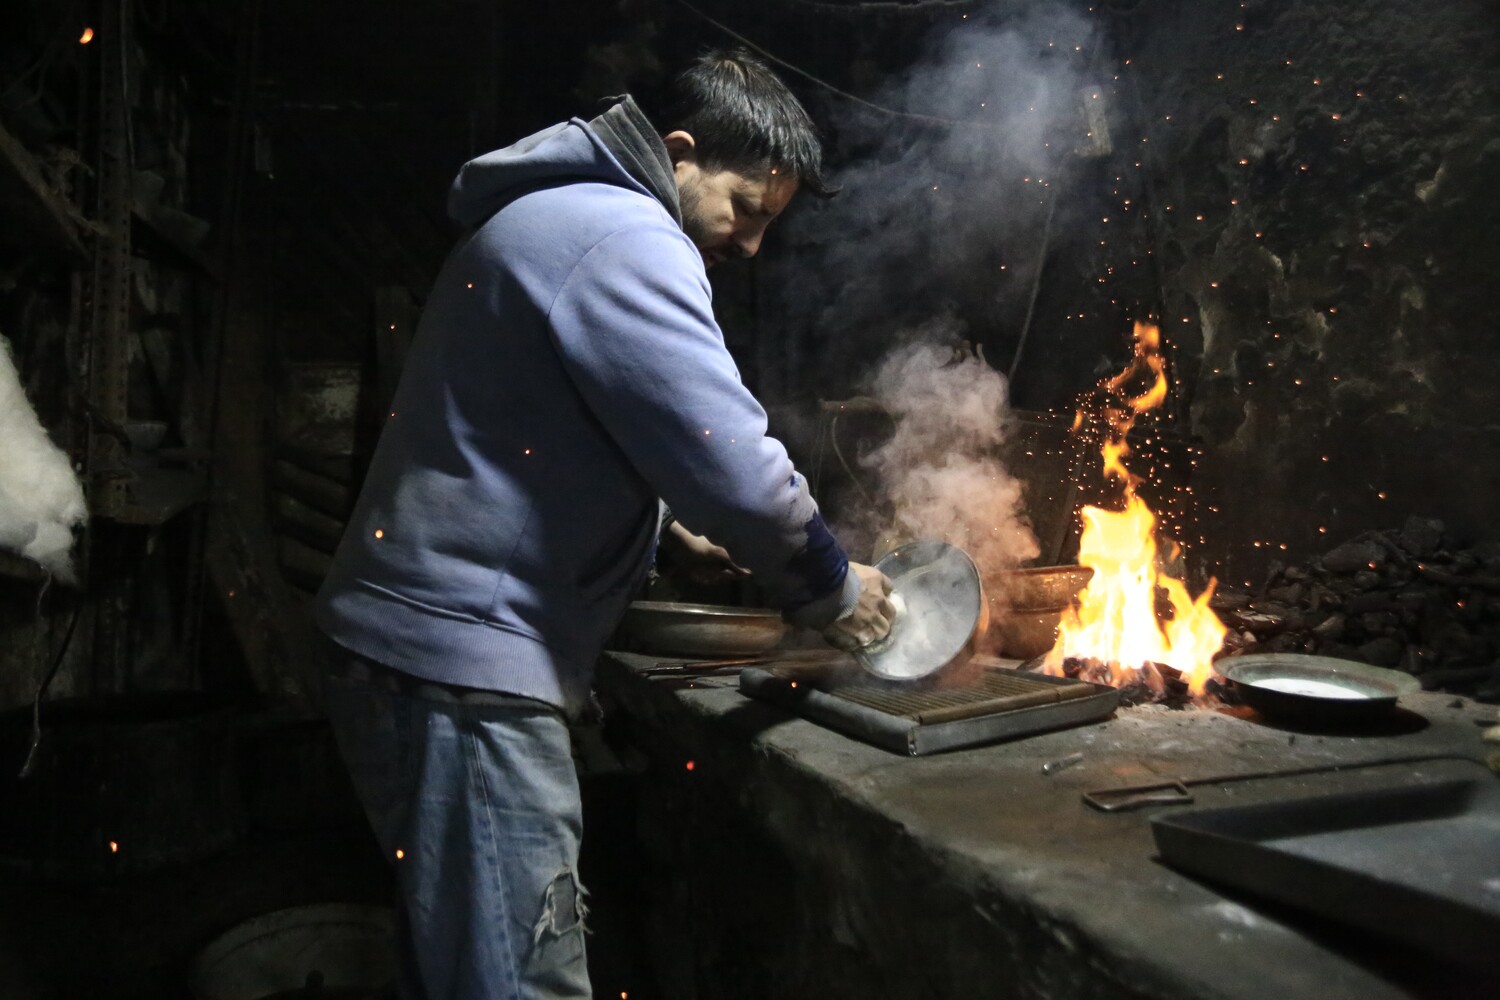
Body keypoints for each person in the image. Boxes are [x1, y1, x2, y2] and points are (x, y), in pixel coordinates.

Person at [314, 48, 895, 999]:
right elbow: (730, 459)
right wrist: (834, 587)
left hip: (420, 655)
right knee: (519, 982)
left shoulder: (557, 214)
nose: (751, 245)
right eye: (747, 209)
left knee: (471, 967)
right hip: (462, 671)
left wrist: (665, 528)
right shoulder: (624, 234)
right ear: (679, 153)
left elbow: (534, 425)